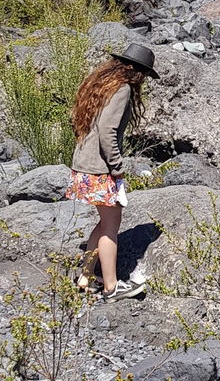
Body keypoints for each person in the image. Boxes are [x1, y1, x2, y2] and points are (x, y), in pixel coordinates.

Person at [65, 44, 159, 303]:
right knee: (111, 226)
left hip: (83, 165)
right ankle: (111, 287)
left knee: (104, 223)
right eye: (144, 75)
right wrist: (117, 167)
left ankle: (85, 277)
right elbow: (108, 132)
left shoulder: (100, 84)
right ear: (138, 72)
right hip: (100, 169)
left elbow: (76, 120)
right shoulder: (123, 88)